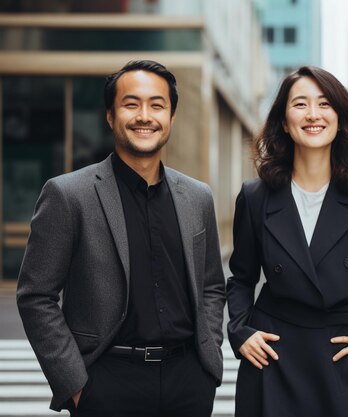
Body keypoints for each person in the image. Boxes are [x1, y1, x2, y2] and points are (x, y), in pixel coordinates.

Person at [16, 60, 225, 416]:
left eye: (157, 105)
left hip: (188, 382)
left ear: (171, 117)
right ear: (110, 116)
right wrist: (76, 386)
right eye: (131, 104)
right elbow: (36, 296)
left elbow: (211, 286)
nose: (145, 115)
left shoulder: (198, 197)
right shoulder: (69, 195)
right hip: (106, 383)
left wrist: (208, 363)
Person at [227, 66, 348, 417]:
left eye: (325, 104)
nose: (313, 115)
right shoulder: (255, 197)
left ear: (339, 118)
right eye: (300, 104)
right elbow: (240, 279)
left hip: (339, 355)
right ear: (284, 122)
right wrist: (241, 332)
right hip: (275, 354)